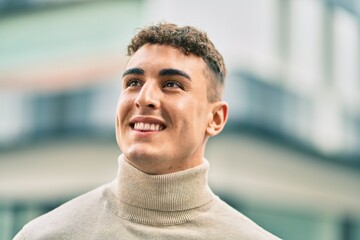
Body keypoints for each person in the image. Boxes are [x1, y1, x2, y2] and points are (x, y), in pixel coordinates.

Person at [14, 22, 280, 240]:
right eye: (133, 82)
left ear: (215, 118)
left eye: (172, 84)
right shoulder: (44, 235)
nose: (144, 97)